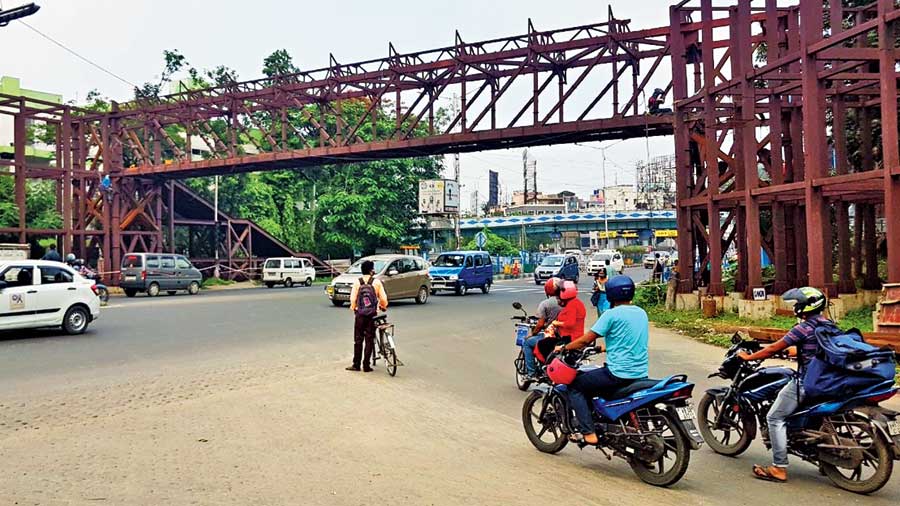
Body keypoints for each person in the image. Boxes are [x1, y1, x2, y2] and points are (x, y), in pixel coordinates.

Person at [737, 287, 831, 483]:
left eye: (798, 303)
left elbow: (772, 348)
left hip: (808, 381)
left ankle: (778, 468)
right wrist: (797, 352)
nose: (796, 306)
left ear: (806, 306)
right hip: (828, 380)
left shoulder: (802, 328)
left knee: (775, 417)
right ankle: (824, 459)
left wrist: (748, 357)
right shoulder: (830, 325)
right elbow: (823, 350)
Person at [555, 275, 649, 445]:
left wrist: (563, 348)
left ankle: (588, 432)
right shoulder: (641, 313)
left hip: (618, 373)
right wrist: (605, 348)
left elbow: (586, 340)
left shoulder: (610, 315)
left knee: (575, 386)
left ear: (611, 295)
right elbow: (629, 339)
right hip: (640, 373)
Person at [347, 260, 388, 372]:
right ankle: (366, 365)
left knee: (358, 340)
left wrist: (354, 308)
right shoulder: (377, 282)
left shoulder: (357, 282)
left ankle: (356, 365)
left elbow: (352, 299)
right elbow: (383, 299)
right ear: (371, 270)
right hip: (372, 315)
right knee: (369, 339)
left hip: (360, 315)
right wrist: (383, 306)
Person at [523, 278, 562, 378]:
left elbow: (540, 324)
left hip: (550, 336)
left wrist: (532, 334)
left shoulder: (545, 304)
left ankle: (531, 373)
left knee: (527, 343)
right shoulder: (567, 303)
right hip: (564, 337)